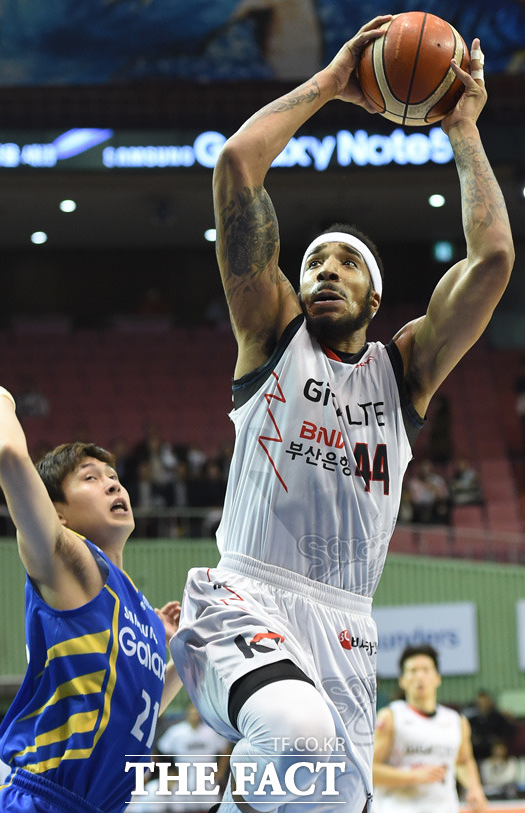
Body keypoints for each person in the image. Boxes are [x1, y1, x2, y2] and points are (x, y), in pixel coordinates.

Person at [168, 14, 514, 813]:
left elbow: (493, 258)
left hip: (348, 631)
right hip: (246, 598)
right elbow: (236, 170)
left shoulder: (407, 371)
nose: (324, 270)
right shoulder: (271, 335)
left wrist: (462, 126)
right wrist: (331, 82)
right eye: (314, 259)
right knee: (295, 730)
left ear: (378, 295)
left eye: (345, 262)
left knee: (325, 795)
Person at [0, 382, 182, 813]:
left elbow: (136, 713)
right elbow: (9, 457)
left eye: (114, 478)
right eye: (91, 479)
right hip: (36, 802)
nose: (113, 486)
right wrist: (0, 398)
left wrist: (185, 656)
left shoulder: (139, 610)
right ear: (57, 512)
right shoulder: (71, 561)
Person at [373, 644, 487, 812]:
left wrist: (475, 788)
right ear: (402, 680)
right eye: (413, 671)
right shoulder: (391, 717)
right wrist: (412, 776)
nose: (420, 676)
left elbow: (463, 761)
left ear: (437, 677)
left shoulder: (456, 721)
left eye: (426, 670)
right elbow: (369, 771)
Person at [156, 703, 232, 812]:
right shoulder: (176, 732)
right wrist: (168, 774)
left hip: (206, 781)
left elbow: (225, 749)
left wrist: (220, 771)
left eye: (197, 713)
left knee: (212, 809)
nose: (195, 715)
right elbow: (160, 752)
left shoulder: (211, 732)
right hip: (183, 781)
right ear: (187, 713)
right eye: (192, 712)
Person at [463, 690, 516, 762]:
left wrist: (497, 739)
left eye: (484, 702)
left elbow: (508, 731)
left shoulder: (498, 717)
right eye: (480, 703)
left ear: (490, 703)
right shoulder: (472, 719)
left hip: (492, 747)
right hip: (476, 748)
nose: (482, 705)